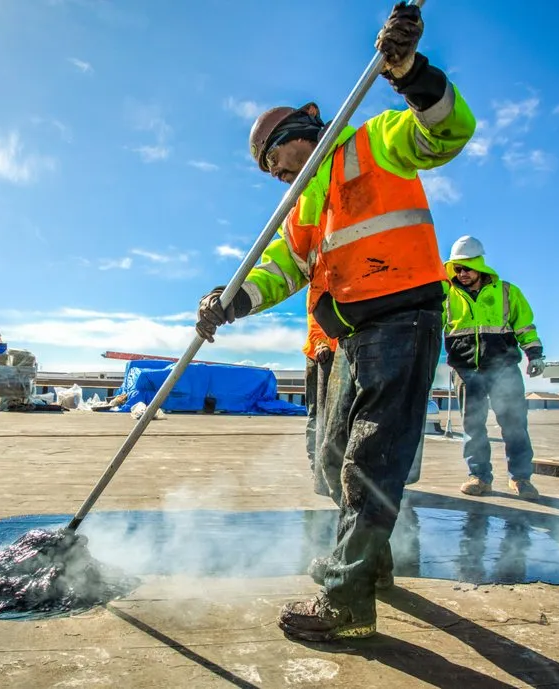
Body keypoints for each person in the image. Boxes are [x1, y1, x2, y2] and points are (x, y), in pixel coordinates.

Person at [195, 3, 475, 641]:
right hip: (347, 339)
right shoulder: (305, 203)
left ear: (304, 128)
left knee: (371, 461)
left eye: (276, 156)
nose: (275, 174)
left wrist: (410, 73)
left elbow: (444, 133)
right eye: (267, 169)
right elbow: (280, 269)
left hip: (401, 317)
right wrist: (230, 300)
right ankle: (373, 566)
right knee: (330, 461)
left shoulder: (372, 142)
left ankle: (347, 604)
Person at [443, 236, 544, 500]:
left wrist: (534, 355)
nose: (461, 274)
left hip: (504, 369)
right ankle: (479, 477)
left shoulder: (507, 292)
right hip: (466, 370)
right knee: (473, 426)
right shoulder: (446, 296)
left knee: (514, 425)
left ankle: (521, 478)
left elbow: (525, 326)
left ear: (479, 266)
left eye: (466, 268)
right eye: (457, 268)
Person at [303, 305, 336, 497]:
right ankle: (318, 470)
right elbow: (315, 310)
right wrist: (320, 342)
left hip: (345, 352)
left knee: (341, 415)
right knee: (318, 415)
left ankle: (336, 470)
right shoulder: (324, 276)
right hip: (320, 354)